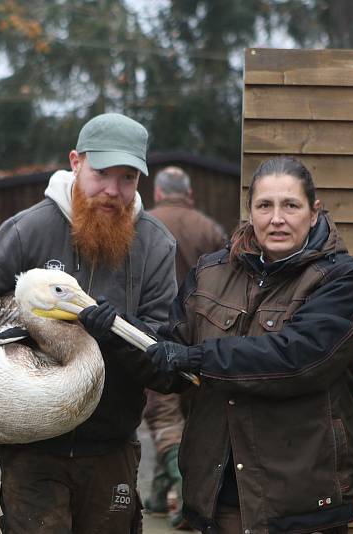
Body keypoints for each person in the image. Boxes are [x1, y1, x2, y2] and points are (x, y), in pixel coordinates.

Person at [0, 113, 178, 533]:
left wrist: (115, 334)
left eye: (128, 178)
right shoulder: (29, 231)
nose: (113, 191)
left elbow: (162, 344)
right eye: (101, 174)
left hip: (111, 445)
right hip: (31, 448)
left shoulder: (154, 244)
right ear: (76, 162)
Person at [145, 156, 353, 533]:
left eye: (291, 205)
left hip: (301, 502)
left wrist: (196, 357)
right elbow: (170, 358)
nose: (277, 218)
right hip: (218, 498)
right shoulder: (210, 272)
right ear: (250, 212)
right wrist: (122, 335)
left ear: (314, 212)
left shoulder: (342, 281)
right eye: (265, 206)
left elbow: (299, 359)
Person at [143, 166, 225, 528]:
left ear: (158, 193)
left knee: (163, 416)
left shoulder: (142, 223)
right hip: (199, 334)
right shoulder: (208, 228)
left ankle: (182, 502)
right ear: (188, 194)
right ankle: (163, 494)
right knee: (189, 418)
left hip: (154, 333)